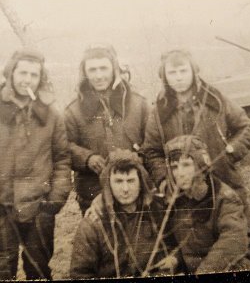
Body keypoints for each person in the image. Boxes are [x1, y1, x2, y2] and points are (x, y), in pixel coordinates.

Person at [143, 49, 250, 268]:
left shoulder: (215, 99)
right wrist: (165, 178)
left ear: (193, 71)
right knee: (198, 244)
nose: (179, 77)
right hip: (187, 193)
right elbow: (151, 151)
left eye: (183, 70)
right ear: (164, 76)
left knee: (244, 241)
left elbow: (245, 127)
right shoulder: (159, 112)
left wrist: (231, 151)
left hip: (225, 181)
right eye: (172, 72)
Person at [0, 49, 71, 280]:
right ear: (11, 73)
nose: (27, 79)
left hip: (39, 208)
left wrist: (53, 201)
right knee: (3, 270)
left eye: (34, 74)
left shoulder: (51, 114)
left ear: (41, 78)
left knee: (39, 270)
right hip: (2, 207)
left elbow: (62, 159)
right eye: (22, 72)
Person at [65, 44, 148, 215]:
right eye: (92, 70)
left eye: (104, 68)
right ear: (85, 73)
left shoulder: (139, 104)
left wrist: (137, 158)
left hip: (133, 188)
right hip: (93, 191)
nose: (99, 75)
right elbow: (63, 146)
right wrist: (86, 158)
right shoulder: (73, 110)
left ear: (114, 69)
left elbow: (153, 141)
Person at [70, 149, 177, 279]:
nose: (125, 189)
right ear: (109, 183)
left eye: (131, 181)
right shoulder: (93, 223)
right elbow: (80, 273)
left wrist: (175, 259)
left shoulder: (157, 212)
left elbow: (176, 248)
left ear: (141, 182)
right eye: (119, 181)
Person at [163, 135, 250, 274]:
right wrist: (175, 259)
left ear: (201, 165)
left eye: (186, 165)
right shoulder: (176, 201)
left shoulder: (224, 197)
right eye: (174, 167)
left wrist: (204, 270)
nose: (180, 173)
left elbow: (234, 241)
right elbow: (182, 245)